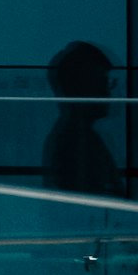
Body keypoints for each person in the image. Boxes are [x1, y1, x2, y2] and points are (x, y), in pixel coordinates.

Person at [40, 40, 122, 196]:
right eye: (103, 82)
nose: (109, 93)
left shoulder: (77, 135)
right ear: (81, 87)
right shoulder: (76, 140)